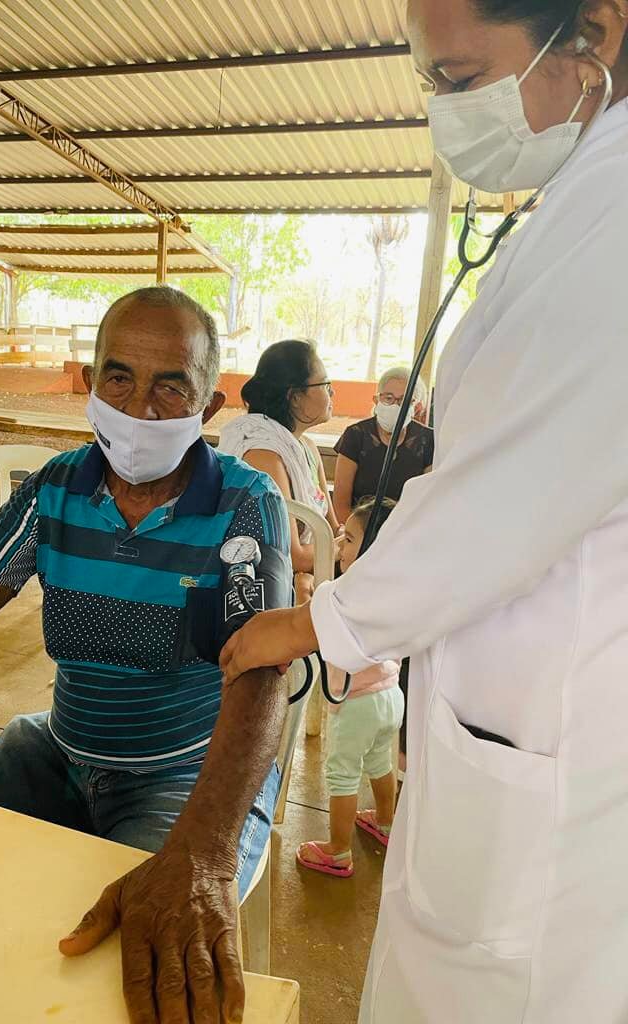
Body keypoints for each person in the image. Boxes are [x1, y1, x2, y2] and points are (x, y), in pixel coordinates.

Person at [221, 2, 628, 1021]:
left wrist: (320, 621)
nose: (445, 111)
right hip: (511, 692)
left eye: (458, 79)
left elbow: (511, 496)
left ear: (596, 32)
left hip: (557, 718)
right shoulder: (585, 195)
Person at [0, 286, 293, 1024]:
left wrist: (209, 850)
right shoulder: (57, 488)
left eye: (171, 386)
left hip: (182, 774)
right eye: (120, 377)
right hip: (57, 751)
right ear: (90, 385)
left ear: (208, 406)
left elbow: (259, 677)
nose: (141, 408)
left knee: (141, 974)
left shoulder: (243, 506)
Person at [296, 497, 404, 879]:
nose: (341, 546)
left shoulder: (347, 594)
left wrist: (306, 593)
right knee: (380, 761)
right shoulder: (397, 591)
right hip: (391, 696)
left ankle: (338, 851)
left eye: (351, 539)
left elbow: (314, 628)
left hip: (356, 701)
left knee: (342, 773)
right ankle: (387, 822)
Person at [218, 339, 340, 603]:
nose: (333, 393)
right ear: (294, 396)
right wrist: (343, 547)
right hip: (271, 591)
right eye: (325, 385)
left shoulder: (306, 448)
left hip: (314, 577)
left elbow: (333, 528)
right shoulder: (263, 455)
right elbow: (292, 555)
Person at [333, 367, 434, 524]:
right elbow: (341, 504)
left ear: (417, 407)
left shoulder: (428, 439)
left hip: (407, 530)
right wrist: (354, 538)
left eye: (404, 400)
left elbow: (429, 499)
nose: (395, 405)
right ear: (376, 400)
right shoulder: (356, 434)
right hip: (359, 530)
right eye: (388, 398)